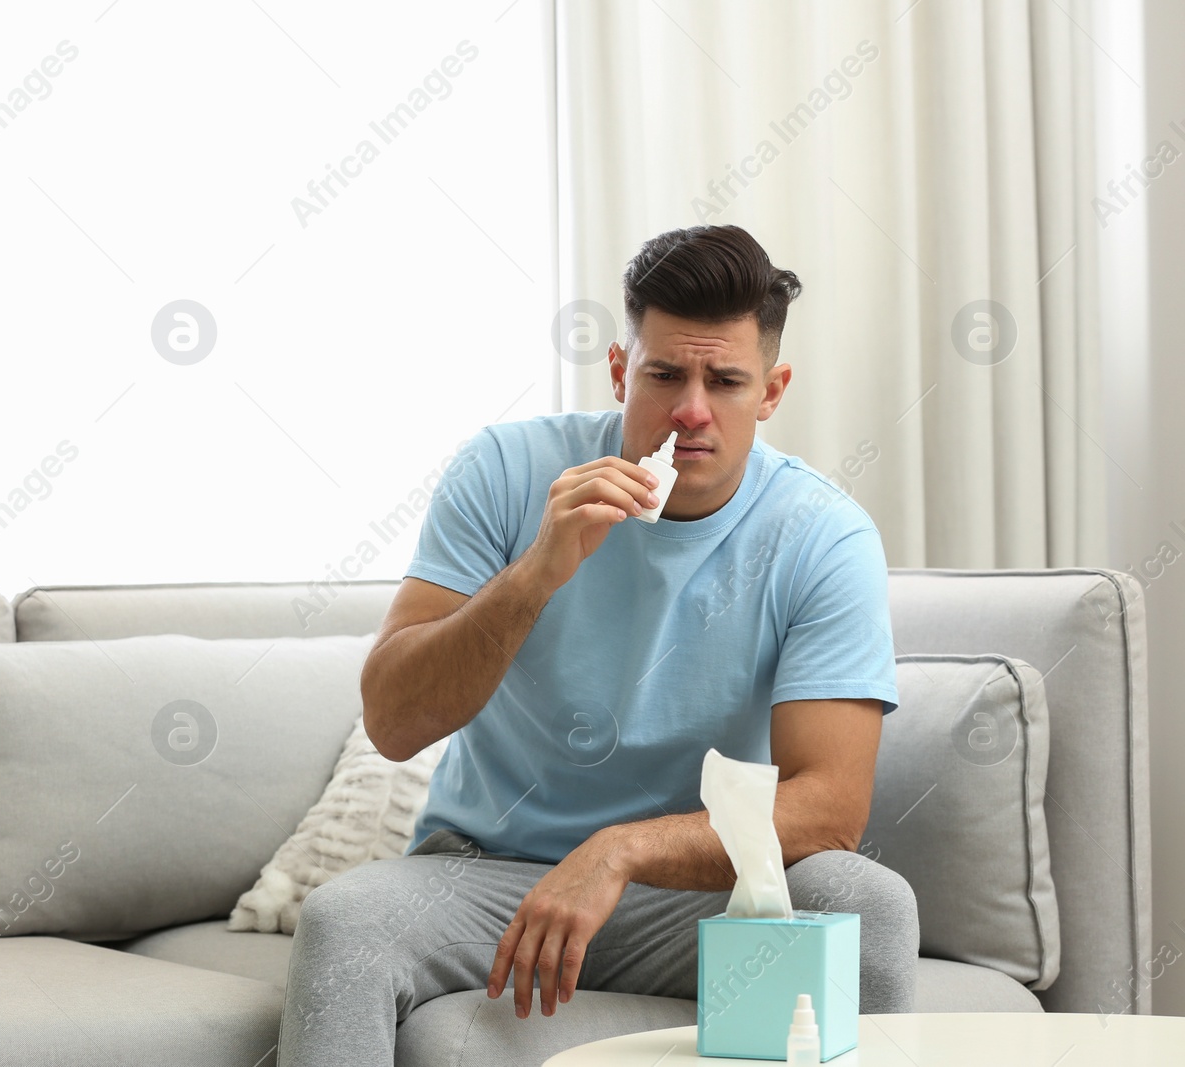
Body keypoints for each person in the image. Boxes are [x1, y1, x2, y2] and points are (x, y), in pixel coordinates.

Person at [276, 225, 918, 1066]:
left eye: (725, 380)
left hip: (695, 897)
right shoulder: (506, 471)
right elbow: (394, 721)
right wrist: (538, 571)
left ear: (771, 390)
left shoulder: (822, 537)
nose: (691, 410)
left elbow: (830, 806)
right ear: (620, 370)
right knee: (343, 922)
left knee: (862, 898)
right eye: (663, 375)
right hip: (489, 876)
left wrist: (618, 850)